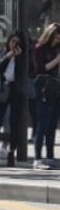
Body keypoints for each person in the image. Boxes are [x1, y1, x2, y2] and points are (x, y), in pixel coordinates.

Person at [0, 30, 25, 168]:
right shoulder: (0, 52)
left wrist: (18, 57)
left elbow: (23, 72)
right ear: (8, 41)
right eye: (13, 41)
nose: (15, 44)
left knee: (15, 123)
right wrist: (8, 57)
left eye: (18, 42)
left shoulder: (23, 55)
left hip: (15, 90)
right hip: (0, 88)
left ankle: (11, 154)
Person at [32, 23, 60, 170]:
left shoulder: (55, 48)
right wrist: (56, 60)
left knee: (52, 124)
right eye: (55, 38)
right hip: (44, 89)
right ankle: (37, 158)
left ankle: (50, 156)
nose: (57, 41)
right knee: (42, 124)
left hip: (56, 88)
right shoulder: (40, 48)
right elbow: (40, 69)